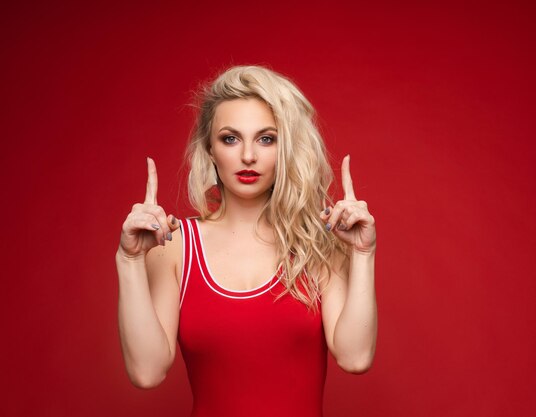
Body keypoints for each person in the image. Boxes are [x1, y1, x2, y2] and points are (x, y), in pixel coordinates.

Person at [116, 65, 377, 417]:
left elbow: (355, 356)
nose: (249, 156)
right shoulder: (177, 246)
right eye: (230, 138)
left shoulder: (315, 243)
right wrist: (129, 260)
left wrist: (363, 252)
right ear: (209, 148)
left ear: (285, 148)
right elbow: (146, 372)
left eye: (266, 139)